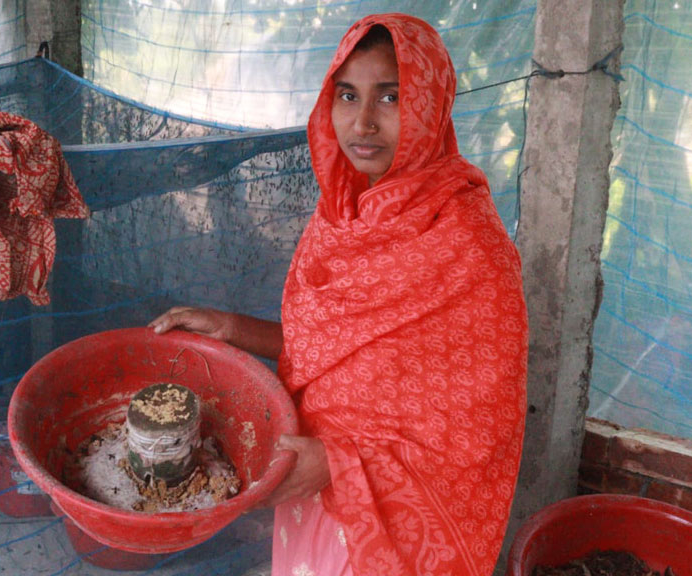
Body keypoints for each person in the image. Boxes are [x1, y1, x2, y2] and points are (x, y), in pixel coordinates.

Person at [149, 13, 528, 576]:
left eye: (391, 97)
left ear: (430, 106)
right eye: (348, 95)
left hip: (387, 522)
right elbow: (334, 352)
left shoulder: (469, 244)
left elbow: (476, 435)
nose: (363, 121)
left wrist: (339, 466)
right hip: (310, 489)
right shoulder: (342, 216)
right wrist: (233, 329)